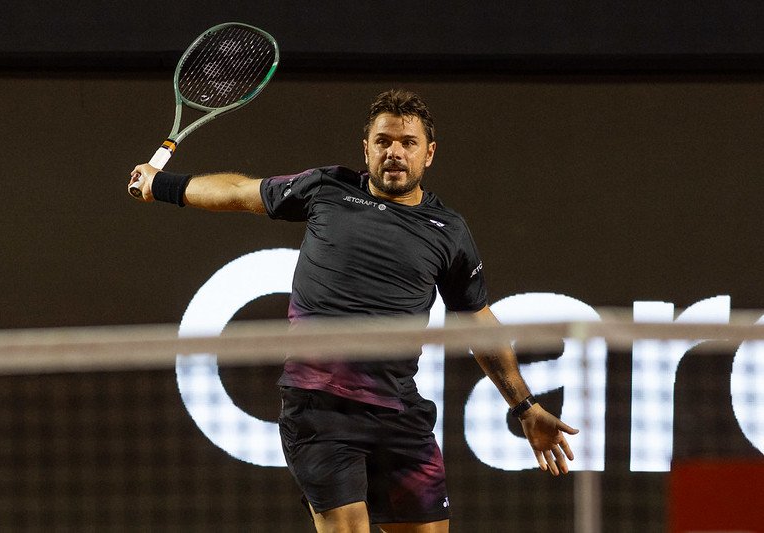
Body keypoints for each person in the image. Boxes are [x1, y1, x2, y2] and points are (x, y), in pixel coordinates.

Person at [130, 89, 578, 533]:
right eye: (383, 141)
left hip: (399, 410)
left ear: (429, 154)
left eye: (408, 143)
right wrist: (160, 184)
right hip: (320, 407)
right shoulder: (327, 189)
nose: (395, 152)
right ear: (366, 148)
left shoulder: (449, 231)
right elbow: (239, 192)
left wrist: (525, 407)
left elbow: (479, 323)